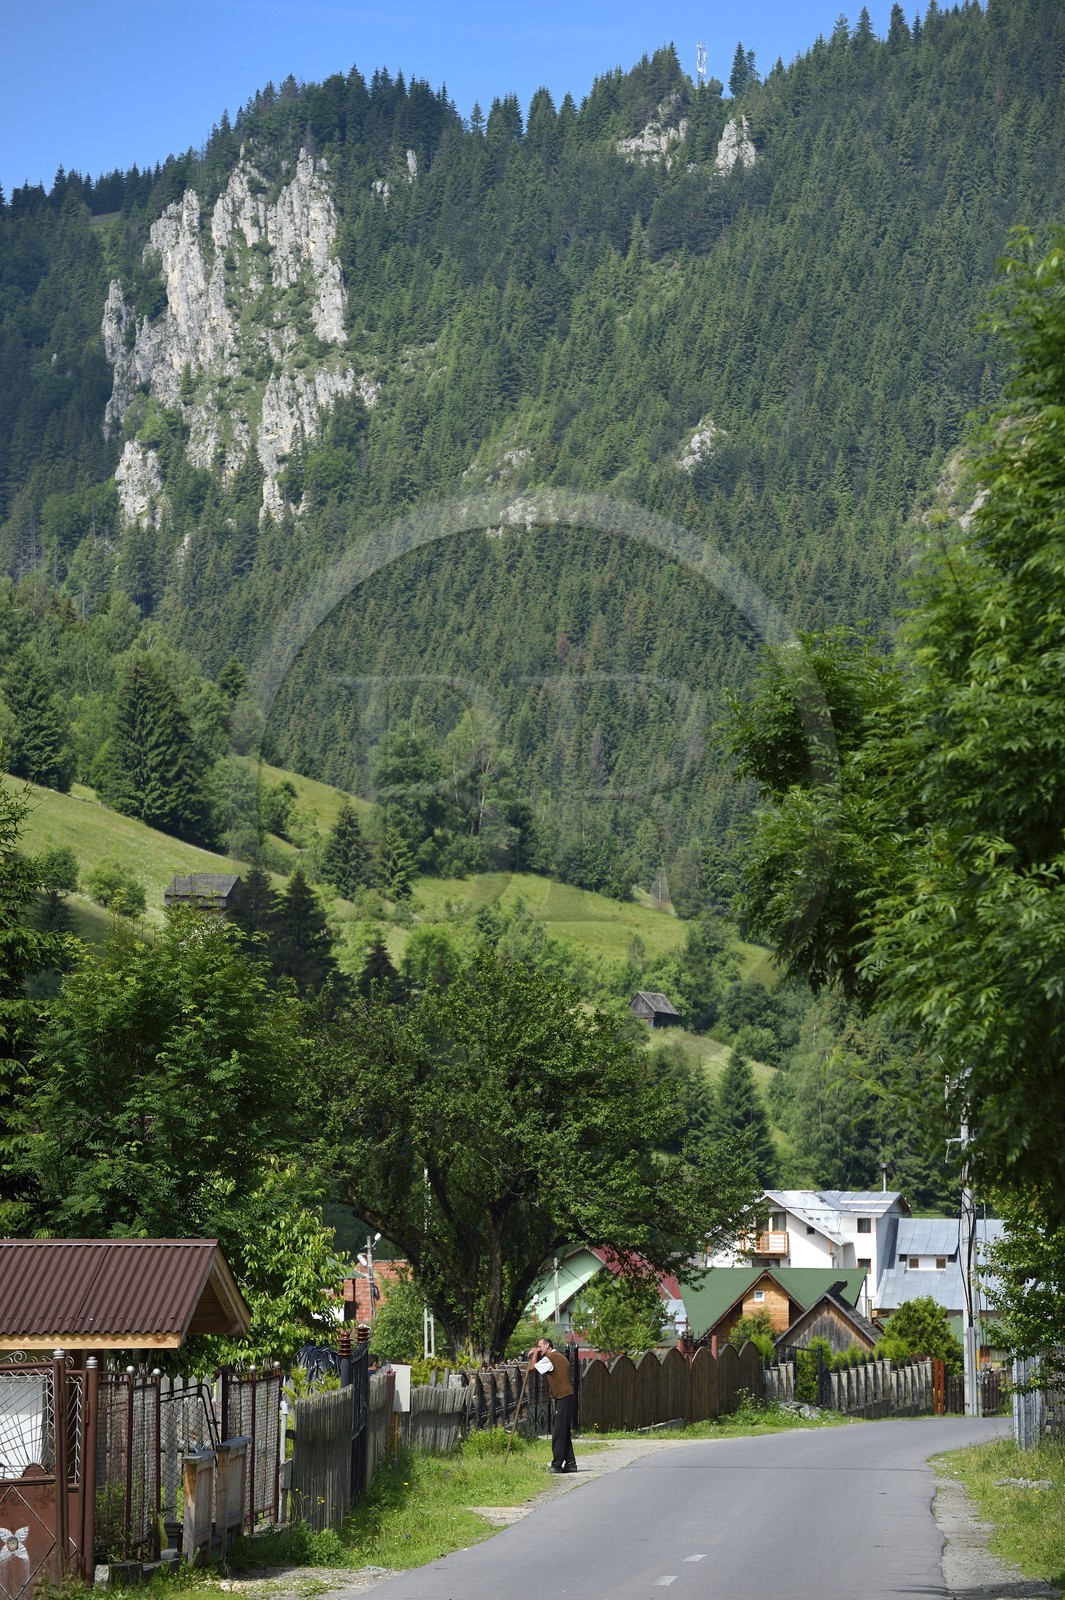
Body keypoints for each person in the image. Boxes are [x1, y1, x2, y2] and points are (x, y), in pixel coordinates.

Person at [530, 1335, 577, 1473]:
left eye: (540, 1346)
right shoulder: (561, 1356)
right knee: (564, 1431)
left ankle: (556, 1465)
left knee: (558, 1432)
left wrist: (534, 1354)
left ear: (547, 1346)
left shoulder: (550, 1358)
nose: (539, 1348)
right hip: (568, 1396)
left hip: (563, 1397)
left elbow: (532, 1369)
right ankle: (570, 1463)